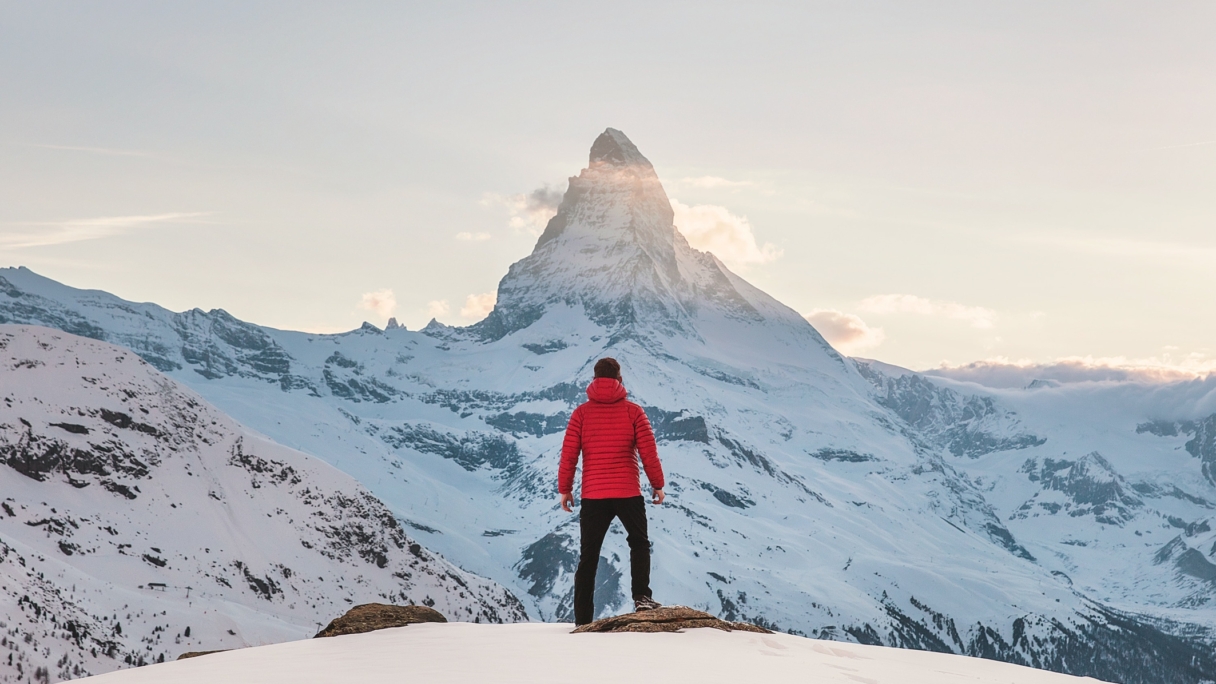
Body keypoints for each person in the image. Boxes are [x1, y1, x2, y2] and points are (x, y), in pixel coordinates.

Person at [558, 357, 666, 626]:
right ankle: (642, 597)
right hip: (628, 491)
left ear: (594, 379)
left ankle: (583, 619)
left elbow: (569, 454)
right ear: (619, 379)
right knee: (638, 543)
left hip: (593, 495)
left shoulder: (581, 413)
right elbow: (648, 452)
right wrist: (658, 485)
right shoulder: (634, 411)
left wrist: (565, 489)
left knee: (589, 556)